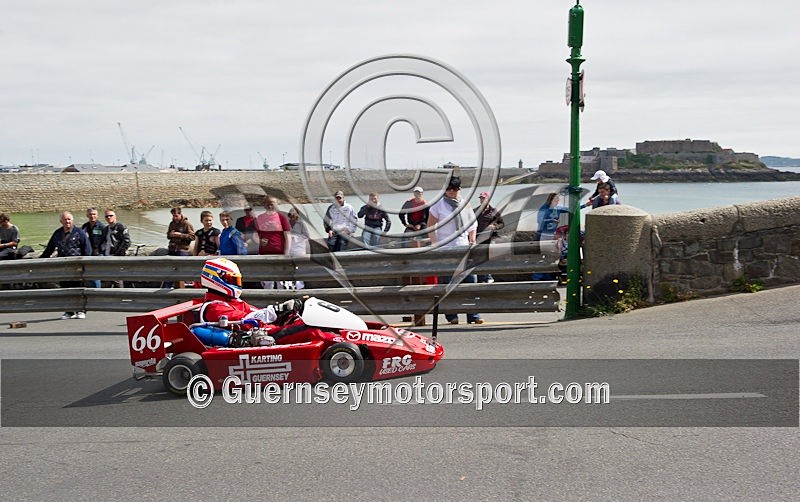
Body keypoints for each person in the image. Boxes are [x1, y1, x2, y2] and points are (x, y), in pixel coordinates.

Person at [427, 177, 482, 325]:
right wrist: (435, 243)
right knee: (448, 283)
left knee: (470, 281)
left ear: (460, 190)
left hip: (463, 246)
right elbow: (431, 226)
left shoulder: (465, 204)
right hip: (446, 248)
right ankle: (452, 315)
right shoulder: (438, 206)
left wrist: (472, 240)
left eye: (455, 189)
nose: (452, 192)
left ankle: (473, 315)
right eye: (449, 189)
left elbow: (472, 225)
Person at [41, 211, 91, 319]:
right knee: (65, 289)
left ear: (72, 220)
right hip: (63, 267)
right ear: (61, 221)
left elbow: (87, 249)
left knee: (79, 288)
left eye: (69, 219)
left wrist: (84, 264)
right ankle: (69, 311)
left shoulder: (80, 232)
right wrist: (40, 261)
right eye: (65, 219)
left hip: (77, 266)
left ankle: (81, 310)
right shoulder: (57, 233)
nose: (67, 221)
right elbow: (49, 249)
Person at [256, 196, 291, 289]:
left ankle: (283, 297)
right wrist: (259, 241)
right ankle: (268, 297)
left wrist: (287, 252)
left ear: (276, 204)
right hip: (264, 253)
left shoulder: (281, 217)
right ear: (264, 205)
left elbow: (287, 235)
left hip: (279, 253)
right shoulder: (260, 217)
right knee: (267, 281)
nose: (270, 206)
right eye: (267, 204)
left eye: (272, 204)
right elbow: (255, 235)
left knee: (281, 281)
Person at [474, 191, 505, 283]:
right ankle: (482, 277)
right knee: (477, 258)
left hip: (489, 239)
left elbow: (501, 224)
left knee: (486, 258)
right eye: (481, 198)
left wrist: (494, 226)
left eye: (484, 198)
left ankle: (488, 277)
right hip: (477, 238)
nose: (482, 200)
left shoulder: (494, 211)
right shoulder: (474, 211)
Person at [165, 207, 195, 288]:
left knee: (181, 268)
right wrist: (170, 235)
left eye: (176, 216)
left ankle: (186, 283)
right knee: (169, 268)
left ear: (180, 214)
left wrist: (180, 235)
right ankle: (167, 286)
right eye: (173, 216)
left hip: (182, 249)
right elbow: (168, 236)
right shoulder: (172, 224)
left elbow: (192, 237)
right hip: (172, 248)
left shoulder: (186, 224)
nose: (174, 217)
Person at [287, 207, 309, 290]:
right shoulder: (286, 223)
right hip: (289, 247)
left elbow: (306, 235)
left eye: (293, 214)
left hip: (299, 247)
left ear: (297, 215)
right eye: (290, 214)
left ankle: (300, 286)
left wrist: (296, 237)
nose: (292, 216)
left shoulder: (301, 224)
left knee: (299, 266)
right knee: (289, 266)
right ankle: (289, 286)